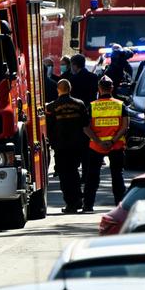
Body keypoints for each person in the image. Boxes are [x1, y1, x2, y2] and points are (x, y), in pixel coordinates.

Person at [83, 76, 128, 211]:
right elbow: (125, 126)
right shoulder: (120, 105)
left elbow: (85, 128)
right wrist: (113, 141)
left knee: (92, 176)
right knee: (117, 176)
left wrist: (99, 142)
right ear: (112, 88)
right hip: (116, 145)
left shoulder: (92, 106)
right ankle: (120, 206)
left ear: (99, 89)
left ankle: (88, 205)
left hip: (96, 146)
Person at [45, 79, 88, 214]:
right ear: (70, 88)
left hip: (61, 146)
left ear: (58, 90)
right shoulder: (79, 104)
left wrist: (51, 142)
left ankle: (70, 203)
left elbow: (49, 127)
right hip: (76, 145)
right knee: (74, 173)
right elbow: (85, 124)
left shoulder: (52, 107)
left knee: (64, 176)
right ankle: (78, 200)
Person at [67, 54, 98, 183]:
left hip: (76, 117)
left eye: (71, 65)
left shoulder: (73, 80)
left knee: (75, 147)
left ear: (75, 65)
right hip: (90, 114)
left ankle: (76, 174)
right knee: (87, 148)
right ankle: (86, 174)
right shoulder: (93, 77)